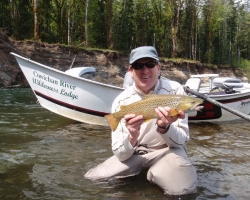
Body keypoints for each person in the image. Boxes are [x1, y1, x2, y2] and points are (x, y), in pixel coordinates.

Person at [84, 46, 197, 196]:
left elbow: (180, 142)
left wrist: (164, 127)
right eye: (138, 66)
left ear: (158, 68)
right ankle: (149, 174)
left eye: (150, 64)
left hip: (167, 151)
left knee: (182, 190)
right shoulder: (121, 102)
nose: (145, 70)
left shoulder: (175, 92)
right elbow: (121, 154)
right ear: (130, 71)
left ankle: (156, 172)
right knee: (93, 179)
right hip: (136, 153)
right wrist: (132, 136)